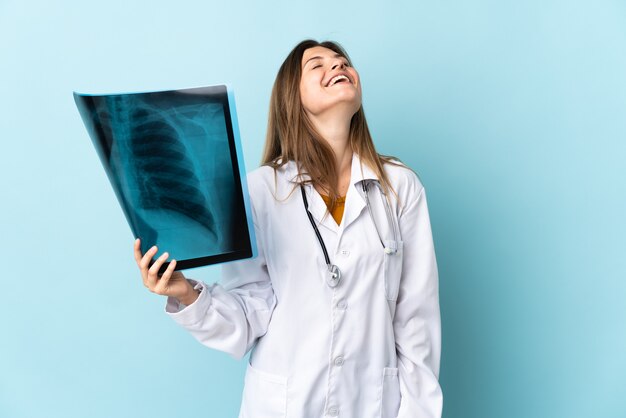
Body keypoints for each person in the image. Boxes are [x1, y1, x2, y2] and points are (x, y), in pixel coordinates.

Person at [134, 39, 442, 418]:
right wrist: (186, 293)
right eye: (317, 65)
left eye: (343, 61)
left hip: (371, 405)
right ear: (291, 99)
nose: (337, 66)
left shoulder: (399, 186)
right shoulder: (262, 191)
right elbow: (250, 312)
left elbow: (416, 322)